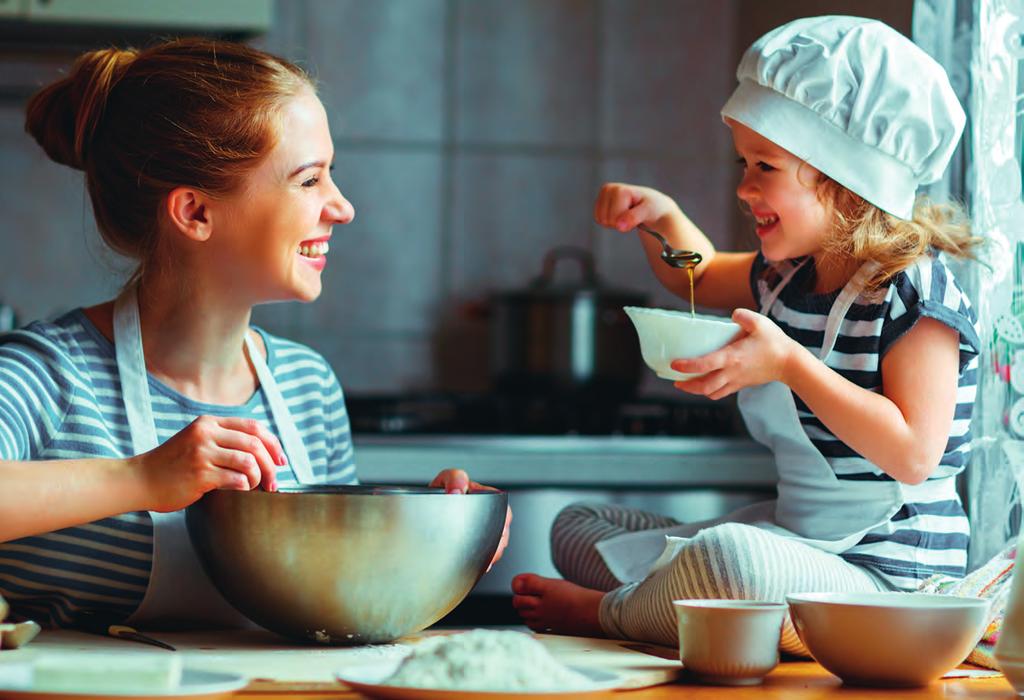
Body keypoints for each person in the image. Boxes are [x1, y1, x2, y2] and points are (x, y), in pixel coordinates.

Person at [0, 38, 509, 629]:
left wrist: (433, 531)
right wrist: (141, 477)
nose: (341, 207)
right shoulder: (46, 373)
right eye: (308, 180)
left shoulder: (305, 386)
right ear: (195, 213)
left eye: (330, 175)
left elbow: (334, 595)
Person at [512, 16, 982, 654]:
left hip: (889, 589)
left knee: (732, 558)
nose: (743, 187)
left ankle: (612, 615)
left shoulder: (912, 294)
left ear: (846, 181)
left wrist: (789, 364)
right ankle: (665, 605)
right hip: (799, 547)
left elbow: (913, 454)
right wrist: (665, 219)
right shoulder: (789, 277)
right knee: (577, 524)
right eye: (743, 161)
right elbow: (696, 276)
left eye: (766, 165)